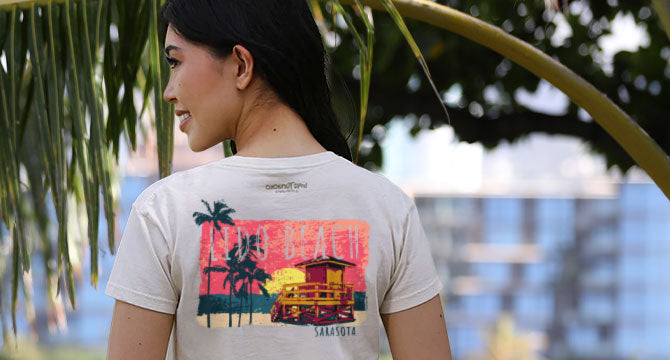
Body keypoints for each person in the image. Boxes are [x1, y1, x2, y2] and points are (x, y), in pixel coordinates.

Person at [105, 0, 452, 358]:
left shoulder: (164, 212)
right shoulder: (387, 208)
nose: (169, 90)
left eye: (175, 62)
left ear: (241, 65)